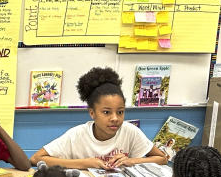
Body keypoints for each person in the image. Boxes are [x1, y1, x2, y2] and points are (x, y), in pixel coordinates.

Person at [31, 67, 167, 169]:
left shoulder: (130, 131)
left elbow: (162, 159)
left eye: (120, 112)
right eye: (107, 112)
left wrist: (131, 161)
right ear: (92, 113)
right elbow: (36, 158)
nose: (115, 118)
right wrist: (84, 163)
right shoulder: (77, 134)